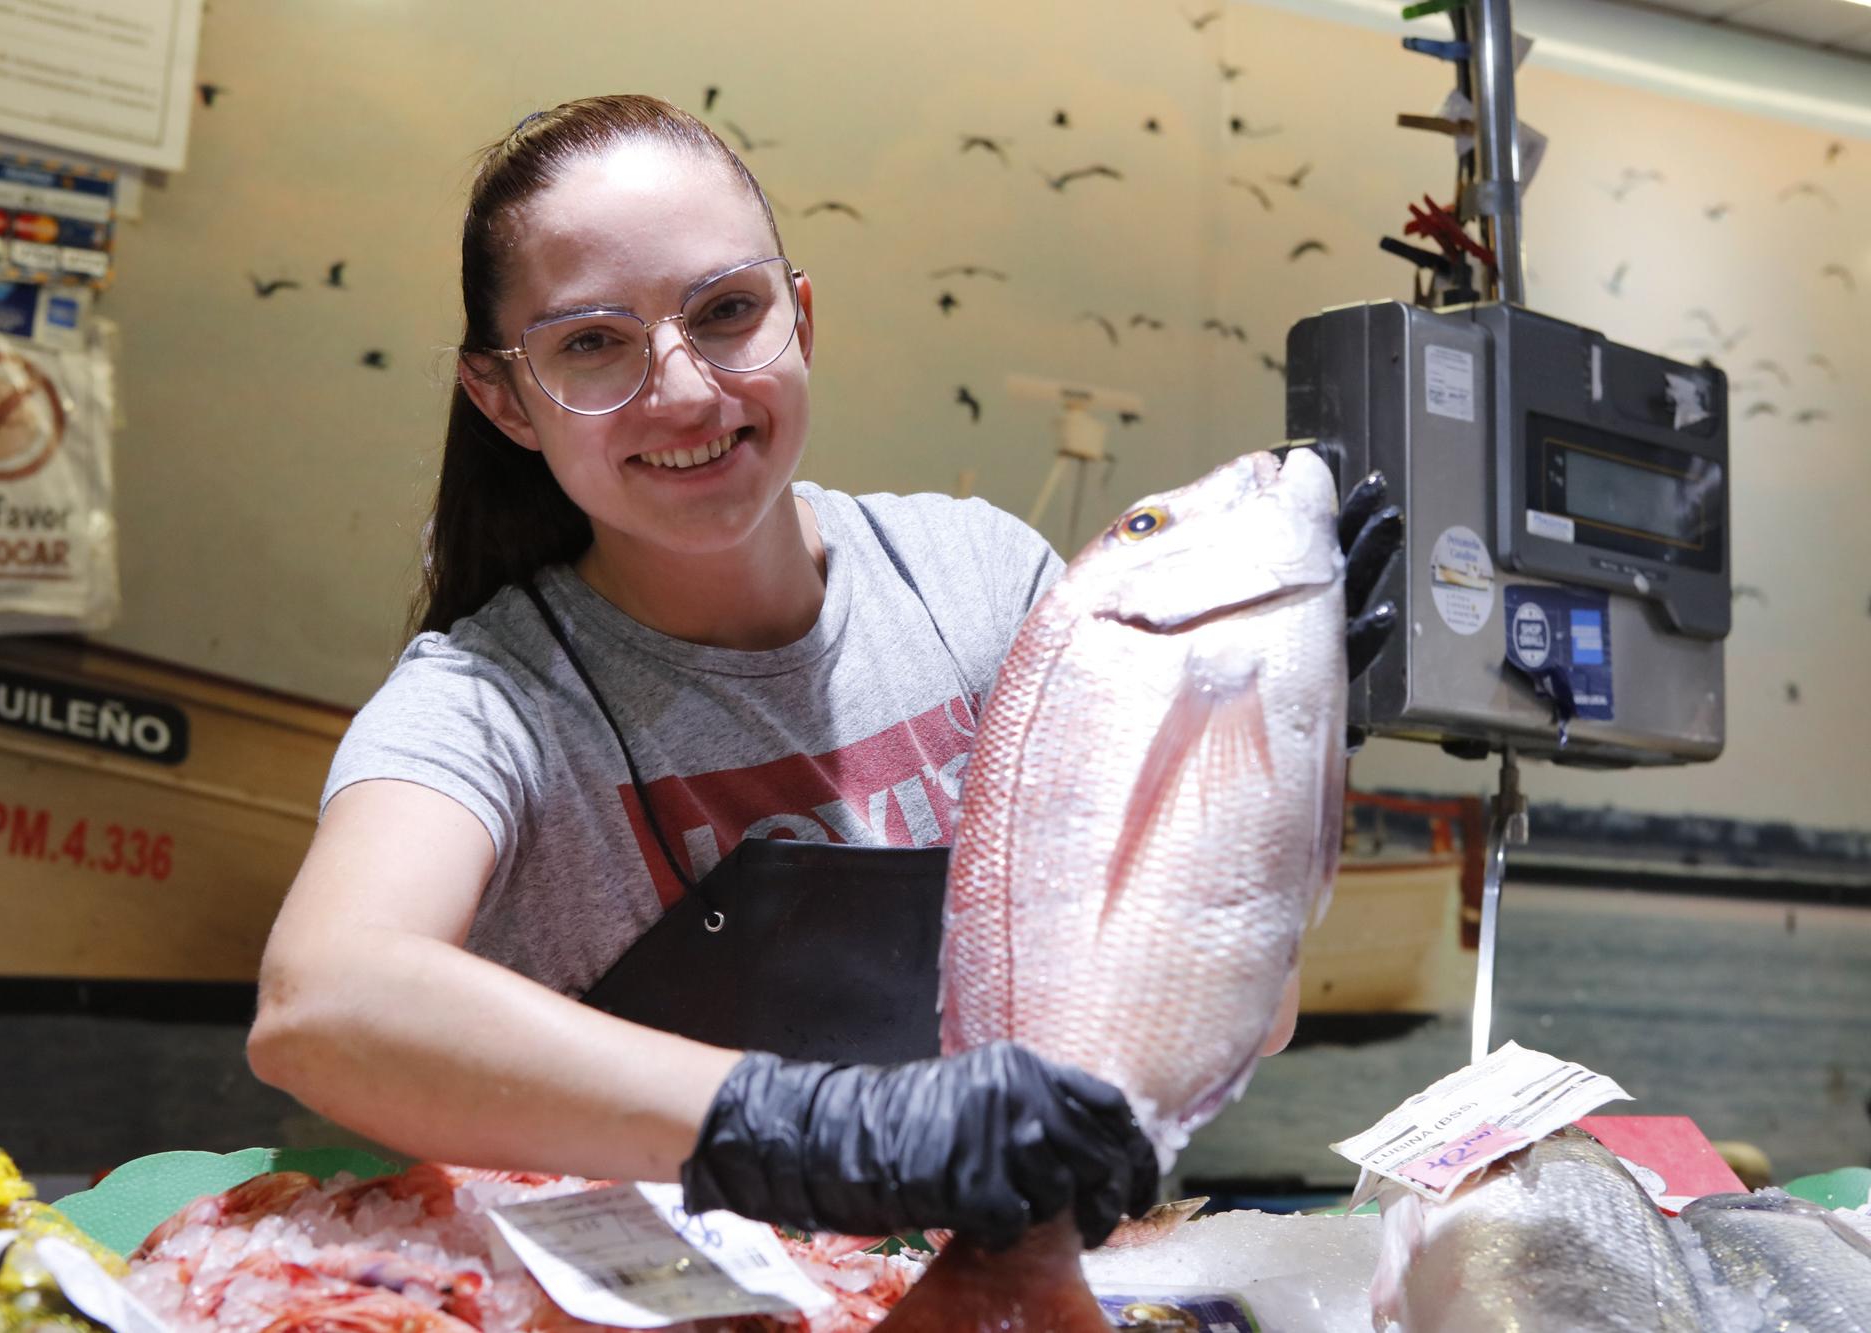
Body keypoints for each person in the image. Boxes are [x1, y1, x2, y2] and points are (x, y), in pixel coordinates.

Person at [247, 94, 1401, 1251]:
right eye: (590, 342)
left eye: (726, 310)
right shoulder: (486, 700)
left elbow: (1241, 1027)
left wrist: (1258, 767)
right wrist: (817, 1129)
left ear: (798, 318)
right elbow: (322, 1002)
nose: (686, 391)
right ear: (502, 396)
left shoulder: (980, 583)